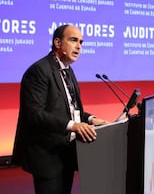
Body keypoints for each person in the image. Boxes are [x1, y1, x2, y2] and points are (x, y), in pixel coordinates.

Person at [12, 24, 109, 194]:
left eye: (81, 42)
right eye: (73, 40)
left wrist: (91, 119)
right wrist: (73, 126)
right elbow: (34, 114)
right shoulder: (39, 71)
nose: (79, 46)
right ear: (58, 43)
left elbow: (71, 110)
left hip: (66, 153)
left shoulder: (67, 71)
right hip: (47, 155)